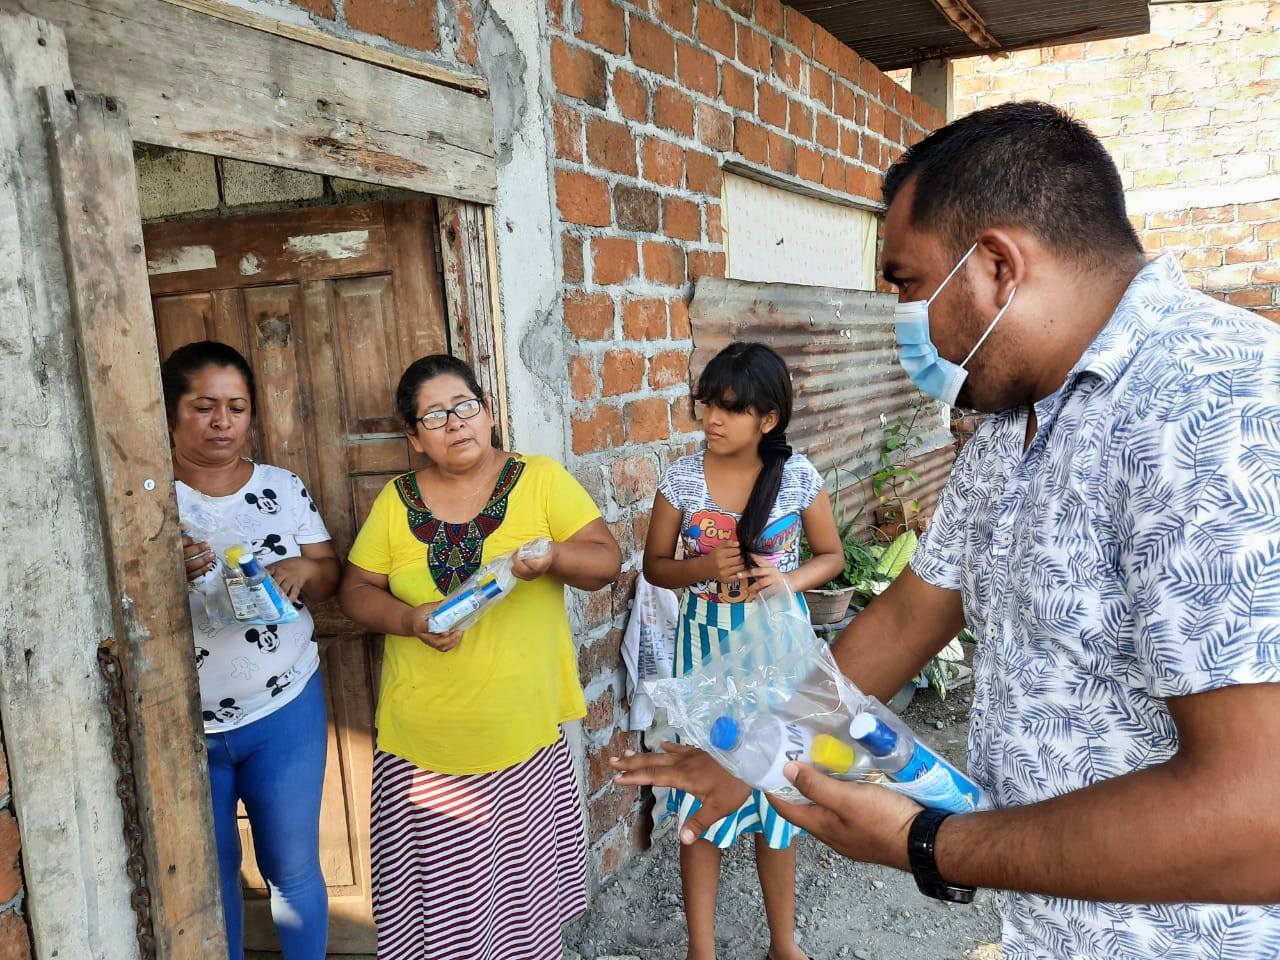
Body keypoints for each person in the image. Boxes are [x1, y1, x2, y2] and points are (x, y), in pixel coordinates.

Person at [612, 101, 1280, 960]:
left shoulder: (1215, 408)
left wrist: (923, 842)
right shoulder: (1015, 422)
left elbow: (1260, 816)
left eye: (906, 283)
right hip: (1057, 929)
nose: (901, 316)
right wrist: (753, 751)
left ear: (997, 266)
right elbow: (908, 615)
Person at [337, 354, 622, 960]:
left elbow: (605, 561)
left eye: (464, 406)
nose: (455, 422)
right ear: (414, 437)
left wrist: (554, 559)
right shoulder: (396, 500)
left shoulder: (539, 479)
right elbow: (355, 591)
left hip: (523, 743)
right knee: (442, 922)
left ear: (488, 412)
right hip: (423, 748)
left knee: (523, 915)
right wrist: (410, 620)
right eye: (434, 416)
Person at [642, 342, 844, 960]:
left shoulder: (798, 476)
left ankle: (784, 944)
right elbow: (654, 567)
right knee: (702, 786)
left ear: (768, 419)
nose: (712, 419)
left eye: (730, 409)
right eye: (707, 404)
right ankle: (700, 951)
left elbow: (831, 555)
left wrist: (790, 581)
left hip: (778, 646)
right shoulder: (682, 478)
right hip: (703, 647)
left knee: (780, 786)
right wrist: (702, 567)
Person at [165, 341, 340, 960]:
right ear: (171, 413)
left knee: (292, 867)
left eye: (236, 408)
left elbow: (329, 575)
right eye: (203, 407)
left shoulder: (281, 488)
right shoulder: (146, 498)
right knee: (209, 875)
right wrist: (163, 574)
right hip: (182, 723)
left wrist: (300, 569)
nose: (222, 421)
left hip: (283, 708)